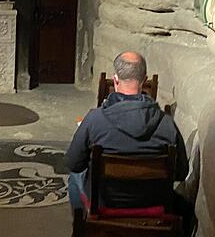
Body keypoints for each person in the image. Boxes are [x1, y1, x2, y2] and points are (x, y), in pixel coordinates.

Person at [66, 51, 193, 236]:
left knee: (74, 177)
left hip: (105, 205)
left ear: (115, 80)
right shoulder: (166, 123)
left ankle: (84, 229)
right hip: (153, 205)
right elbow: (181, 172)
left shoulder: (95, 119)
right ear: (144, 79)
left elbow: (74, 163)